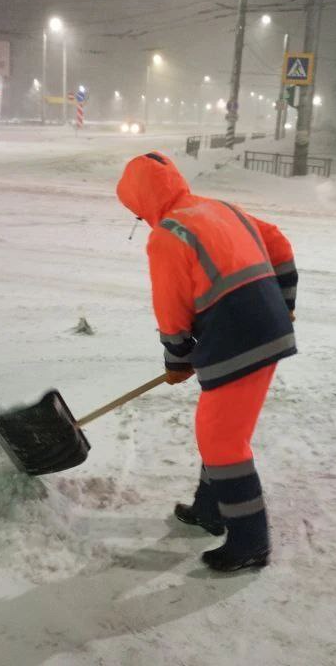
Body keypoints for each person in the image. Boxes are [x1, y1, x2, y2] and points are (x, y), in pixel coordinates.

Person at [116, 151, 297, 572]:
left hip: (239, 337)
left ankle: (250, 543)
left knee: (222, 440)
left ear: (142, 202)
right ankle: (210, 509)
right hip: (263, 328)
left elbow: (171, 310)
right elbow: (279, 243)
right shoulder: (220, 208)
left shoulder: (167, 235)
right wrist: (285, 303)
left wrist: (176, 359)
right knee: (220, 430)